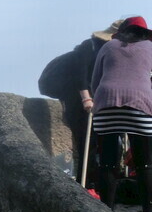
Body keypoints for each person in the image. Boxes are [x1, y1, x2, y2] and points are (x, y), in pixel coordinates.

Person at [90, 16, 152, 212]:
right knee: (144, 164)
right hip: (141, 104)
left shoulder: (108, 46)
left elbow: (95, 80)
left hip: (106, 101)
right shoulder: (150, 48)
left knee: (107, 163)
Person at [38, 20, 121, 182]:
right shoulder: (89, 46)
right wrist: (86, 99)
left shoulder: (107, 51)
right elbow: (80, 75)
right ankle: (86, 179)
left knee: (95, 136)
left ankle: (92, 176)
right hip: (61, 82)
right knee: (85, 132)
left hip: (80, 87)